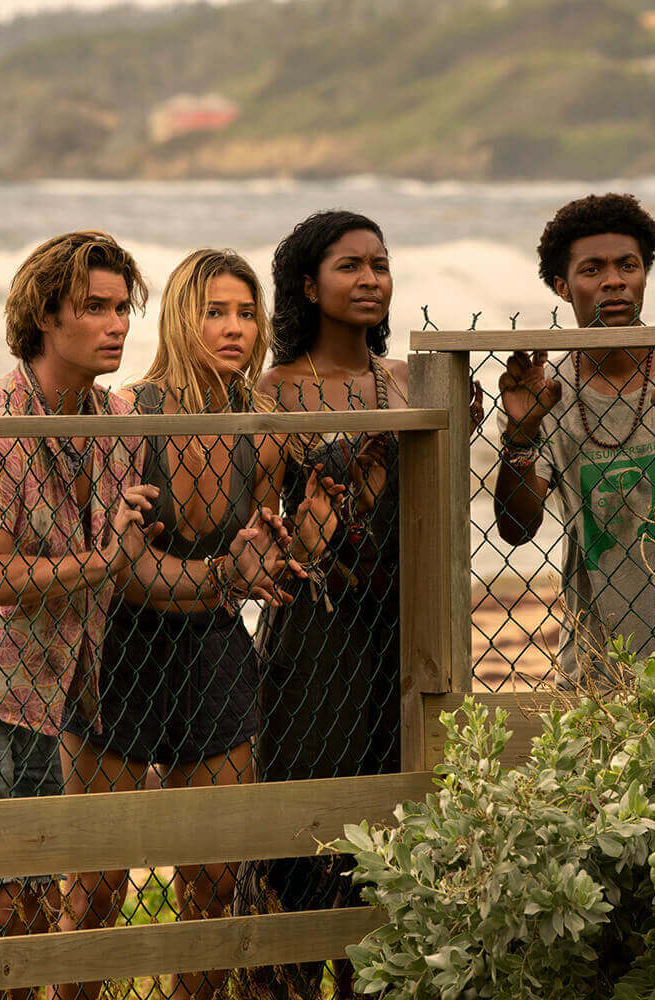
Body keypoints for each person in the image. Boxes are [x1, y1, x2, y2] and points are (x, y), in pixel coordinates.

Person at [56, 249, 341, 1000]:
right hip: (120, 651)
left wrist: (306, 540)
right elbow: (127, 568)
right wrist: (225, 576)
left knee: (214, 881)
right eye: (215, 311)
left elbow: (264, 560)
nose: (234, 328)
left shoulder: (265, 430)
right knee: (97, 885)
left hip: (213, 652)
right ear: (182, 317)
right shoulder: (124, 417)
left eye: (247, 313)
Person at [0, 230, 157, 1000]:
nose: (117, 324)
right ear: (46, 316)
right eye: (95, 307)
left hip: (50, 693)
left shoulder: (117, 421)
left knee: (40, 896)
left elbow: (127, 563)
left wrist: (232, 567)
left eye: (122, 308)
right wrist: (106, 560)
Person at [232, 210, 407, 1000]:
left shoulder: (409, 381)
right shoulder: (273, 392)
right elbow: (262, 539)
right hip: (316, 636)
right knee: (309, 826)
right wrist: (306, 539)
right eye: (350, 266)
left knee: (400, 821)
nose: (370, 278)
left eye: (379, 264)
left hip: (407, 628)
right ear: (309, 284)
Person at [492, 193, 655, 684]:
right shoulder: (549, 388)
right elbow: (515, 529)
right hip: (597, 661)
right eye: (592, 269)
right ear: (561, 286)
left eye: (627, 266)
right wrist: (522, 434)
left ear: (644, 277)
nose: (614, 280)